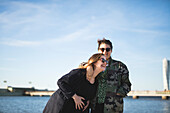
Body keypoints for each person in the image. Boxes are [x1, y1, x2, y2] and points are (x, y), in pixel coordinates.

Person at [43, 53, 107, 113]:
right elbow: (61, 82)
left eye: (106, 61)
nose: (105, 63)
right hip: (60, 106)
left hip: (72, 109)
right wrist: (75, 96)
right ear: (94, 61)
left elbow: (88, 96)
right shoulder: (80, 73)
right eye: (102, 60)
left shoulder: (96, 82)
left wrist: (88, 101)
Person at [90, 38, 132, 113]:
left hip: (113, 107)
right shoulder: (92, 66)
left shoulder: (120, 66)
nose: (105, 52)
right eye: (102, 49)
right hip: (95, 106)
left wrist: (117, 94)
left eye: (107, 49)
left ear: (111, 51)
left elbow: (127, 84)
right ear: (98, 50)